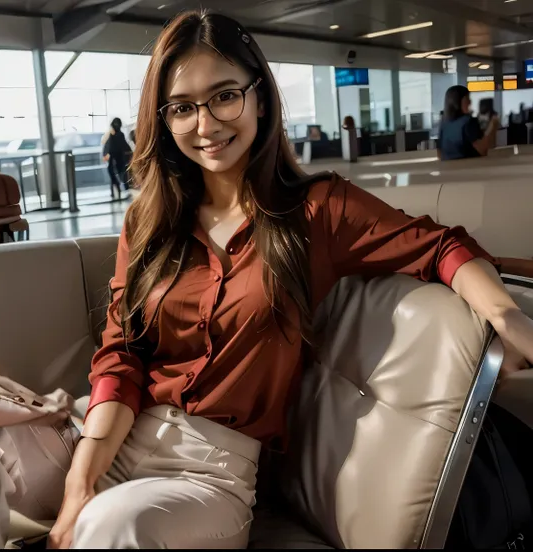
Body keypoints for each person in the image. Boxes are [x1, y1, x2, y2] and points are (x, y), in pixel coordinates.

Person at [45, 11, 533, 549]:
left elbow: (437, 246)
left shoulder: (316, 211)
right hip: (112, 433)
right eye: (183, 108)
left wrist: (505, 315)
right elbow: (121, 352)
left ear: (259, 96)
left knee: (111, 526)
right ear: (164, 119)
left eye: (225, 96)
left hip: (210, 467)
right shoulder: (148, 221)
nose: (205, 125)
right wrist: (80, 479)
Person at [437, 85, 498, 160]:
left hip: (448, 170)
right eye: (467, 98)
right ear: (459, 101)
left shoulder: (443, 123)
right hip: (471, 168)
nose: (470, 102)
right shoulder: (468, 122)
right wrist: (493, 125)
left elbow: (440, 154)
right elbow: (482, 150)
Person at [102, 118, 132, 200]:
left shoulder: (118, 134)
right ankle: (116, 191)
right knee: (116, 174)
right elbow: (107, 146)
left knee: (120, 174)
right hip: (113, 158)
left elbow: (123, 145)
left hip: (117, 157)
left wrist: (129, 152)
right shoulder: (111, 134)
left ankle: (121, 190)